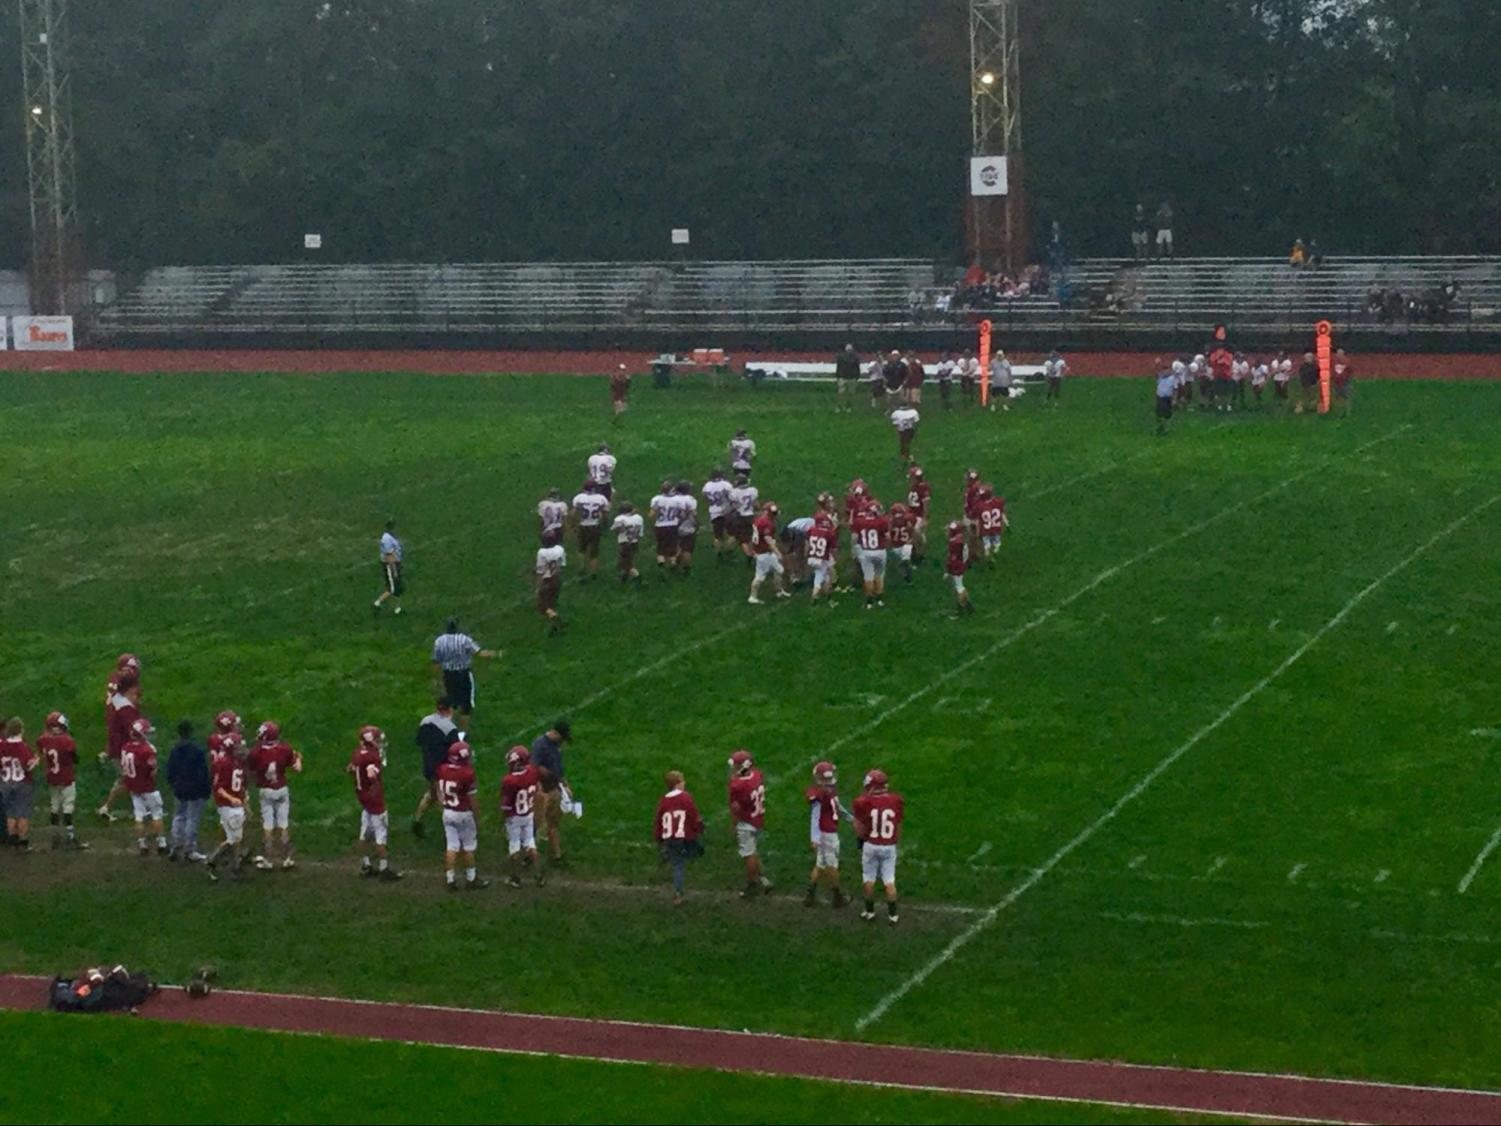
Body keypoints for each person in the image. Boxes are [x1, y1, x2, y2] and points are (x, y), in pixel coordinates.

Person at [852, 768, 904, 925]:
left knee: (868, 878)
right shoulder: (896, 800)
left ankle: (869, 911)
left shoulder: (862, 802)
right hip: (889, 845)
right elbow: (898, 825)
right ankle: (893, 915)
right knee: (889, 880)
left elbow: (860, 829)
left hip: (871, 844)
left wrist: (860, 838)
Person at [349, 725, 401, 881]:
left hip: (363, 799)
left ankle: (366, 865)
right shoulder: (372, 757)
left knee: (364, 834)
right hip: (375, 802)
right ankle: (384, 869)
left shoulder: (356, 754)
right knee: (380, 837)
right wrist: (375, 787)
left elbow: (350, 769)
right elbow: (372, 775)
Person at [248, 720, 302, 870]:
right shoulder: (285, 749)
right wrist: (299, 758)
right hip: (282, 788)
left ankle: (268, 860)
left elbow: (251, 772)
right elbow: (297, 768)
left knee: (268, 825)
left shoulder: (256, 752)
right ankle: (287, 858)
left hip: (266, 790)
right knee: (283, 824)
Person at [435, 741, 487, 891]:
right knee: (468, 847)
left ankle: (450, 880)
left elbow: (438, 788)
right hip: (463, 813)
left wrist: (442, 804)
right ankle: (471, 878)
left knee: (451, 846)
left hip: (448, 811)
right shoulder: (467, 774)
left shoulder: (442, 768)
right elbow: (472, 799)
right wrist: (478, 818)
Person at [430, 618, 499, 722]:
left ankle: (449, 730)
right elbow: (479, 653)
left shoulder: (439, 641)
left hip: (448, 675)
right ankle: (462, 735)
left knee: (450, 702)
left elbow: (436, 661)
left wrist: (436, 678)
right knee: (466, 706)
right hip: (463, 675)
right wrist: (494, 654)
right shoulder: (464, 639)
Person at [411, 697, 462, 837]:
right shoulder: (450, 728)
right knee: (442, 799)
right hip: (441, 768)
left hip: (427, 764)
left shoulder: (426, 721)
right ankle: (451, 831)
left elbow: (419, 740)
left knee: (432, 794)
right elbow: (456, 750)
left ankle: (417, 821)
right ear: (449, 709)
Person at [98, 663, 142, 821]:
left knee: (130, 778)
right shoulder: (125, 709)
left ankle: (139, 807)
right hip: (122, 749)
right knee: (127, 778)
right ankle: (106, 807)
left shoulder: (117, 700)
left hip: (117, 746)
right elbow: (134, 730)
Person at [653, 769, 704, 906]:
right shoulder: (686, 798)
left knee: (677, 862)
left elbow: (659, 820)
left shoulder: (664, 801)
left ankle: (667, 854)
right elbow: (694, 816)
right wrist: (699, 829)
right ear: (677, 784)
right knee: (681, 864)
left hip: (669, 837)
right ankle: (678, 893)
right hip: (684, 836)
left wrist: (658, 838)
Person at [119, 718, 167, 857]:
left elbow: (124, 768)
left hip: (134, 787)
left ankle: (142, 845)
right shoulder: (147, 749)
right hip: (147, 786)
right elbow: (153, 770)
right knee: (156, 814)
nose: (149, 734)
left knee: (139, 816)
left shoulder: (125, 747)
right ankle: (161, 843)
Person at [206, 734, 250, 882]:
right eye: (238, 746)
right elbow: (218, 787)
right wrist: (232, 799)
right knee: (234, 839)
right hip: (228, 806)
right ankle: (217, 863)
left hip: (236, 805)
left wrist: (245, 803)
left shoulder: (238, 762)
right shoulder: (224, 763)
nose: (242, 748)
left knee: (236, 838)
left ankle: (232, 865)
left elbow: (242, 786)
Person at [726, 750, 771, 899]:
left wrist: (733, 826)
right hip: (758, 817)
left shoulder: (737, 786)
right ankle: (762, 878)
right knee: (753, 849)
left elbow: (735, 808)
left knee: (748, 853)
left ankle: (753, 885)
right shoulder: (757, 775)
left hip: (746, 821)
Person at [38, 711, 85, 851]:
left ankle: (55, 836)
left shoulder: (42, 740)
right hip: (66, 778)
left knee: (54, 806)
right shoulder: (67, 741)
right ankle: (70, 836)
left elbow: (43, 751)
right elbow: (75, 759)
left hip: (52, 778)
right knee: (67, 808)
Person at [805, 761, 848, 908]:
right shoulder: (819, 796)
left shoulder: (826, 791)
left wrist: (850, 818)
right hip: (827, 833)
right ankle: (837, 897)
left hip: (826, 832)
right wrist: (815, 838)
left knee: (820, 864)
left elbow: (837, 806)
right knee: (832, 865)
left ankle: (810, 895)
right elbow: (815, 817)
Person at [165, 720, 209, 863]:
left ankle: (175, 846)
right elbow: (203, 773)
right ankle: (189, 850)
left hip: (179, 789)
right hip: (195, 790)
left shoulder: (174, 750)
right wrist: (205, 790)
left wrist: (174, 784)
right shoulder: (197, 751)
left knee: (178, 817)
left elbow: (170, 771)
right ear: (191, 732)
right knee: (192, 819)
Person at [500, 746, 544, 887]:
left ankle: (515, 878)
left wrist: (502, 821)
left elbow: (506, 805)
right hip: (528, 813)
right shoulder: (532, 772)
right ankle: (539, 876)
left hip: (514, 816)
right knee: (530, 844)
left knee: (514, 847)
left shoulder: (509, 781)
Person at [530, 721, 574, 864]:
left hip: (554, 787)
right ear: (555, 733)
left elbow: (559, 769)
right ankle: (527, 853)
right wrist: (540, 791)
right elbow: (534, 768)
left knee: (553, 822)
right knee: (535, 823)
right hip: (542, 790)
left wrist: (565, 784)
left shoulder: (556, 746)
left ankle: (556, 855)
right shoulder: (540, 744)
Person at [1, 717, 38, 851]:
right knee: (23, 813)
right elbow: (28, 766)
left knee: (10, 813)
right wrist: (36, 760)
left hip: (6, 782)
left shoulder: (2, 745)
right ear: (20, 730)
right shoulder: (23, 747)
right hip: (22, 783)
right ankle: (23, 841)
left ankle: (12, 839)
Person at [747, 502, 791, 604]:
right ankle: (752, 597)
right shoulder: (767, 524)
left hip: (762, 551)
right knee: (760, 577)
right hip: (764, 554)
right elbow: (768, 540)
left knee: (778, 570)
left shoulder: (759, 520)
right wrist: (777, 552)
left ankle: (779, 591)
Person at [851, 501, 890, 610]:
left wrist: (855, 550)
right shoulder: (882, 521)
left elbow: (854, 538)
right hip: (880, 551)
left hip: (866, 551)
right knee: (879, 575)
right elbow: (887, 537)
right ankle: (879, 599)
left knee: (868, 576)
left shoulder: (859, 521)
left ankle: (869, 602)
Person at [570, 480, 610, 580]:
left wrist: (573, 525)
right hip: (595, 526)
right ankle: (593, 572)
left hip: (583, 525)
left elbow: (573, 513)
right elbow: (605, 514)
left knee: (581, 549)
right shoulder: (601, 498)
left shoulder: (579, 498)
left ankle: (582, 568)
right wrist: (604, 525)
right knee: (594, 552)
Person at [535, 532, 567, 634]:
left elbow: (541, 571)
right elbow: (562, 564)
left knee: (543, 605)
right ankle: (553, 627)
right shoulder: (560, 549)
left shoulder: (542, 553)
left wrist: (538, 585)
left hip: (547, 580)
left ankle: (555, 618)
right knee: (552, 603)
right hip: (557, 578)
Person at [649, 479, 681, 576]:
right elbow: (680, 513)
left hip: (660, 525)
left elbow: (651, 514)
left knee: (661, 548)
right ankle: (673, 566)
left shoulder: (656, 499)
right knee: (672, 548)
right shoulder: (677, 499)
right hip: (673, 525)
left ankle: (661, 566)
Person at [805, 513, 839, 605]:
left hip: (812, 557)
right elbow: (833, 549)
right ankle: (828, 599)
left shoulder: (811, 530)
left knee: (819, 577)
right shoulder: (829, 533)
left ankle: (816, 595)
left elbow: (807, 544)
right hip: (822, 559)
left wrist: (806, 554)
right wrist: (836, 558)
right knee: (827, 579)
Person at [373, 518, 404, 616]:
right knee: (392, 588)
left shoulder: (390, 537)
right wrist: (394, 569)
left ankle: (397, 608)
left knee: (398, 587)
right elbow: (389, 556)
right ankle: (377, 603)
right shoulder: (387, 539)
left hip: (396, 563)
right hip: (390, 565)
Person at [702, 470, 734, 560]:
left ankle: (718, 553)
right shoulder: (726, 484)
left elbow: (705, 496)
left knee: (718, 536)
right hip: (726, 511)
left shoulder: (707, 486)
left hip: (714, 511)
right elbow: (731, 497)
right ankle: (728, 551)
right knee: (732, 534)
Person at [610, 501, 645, 582]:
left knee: (626, 564)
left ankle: (638, 577)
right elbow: (640, 534)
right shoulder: (639, 517)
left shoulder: (619, 519)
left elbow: (614, 529)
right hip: (635, 542)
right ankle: (623, 578)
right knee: (626, 561)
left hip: (625, 543)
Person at [946, 520, 974, 617]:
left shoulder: (954, 542)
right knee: (961, 586)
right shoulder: (961, 539)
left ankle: (960, 610)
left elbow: (953, 557)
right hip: (961, 564)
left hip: (957, 565)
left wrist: (949, 568)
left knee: (959, 588)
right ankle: (969, 606)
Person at [728, 475, 759, 558]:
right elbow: (756, 504)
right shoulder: (753, 490)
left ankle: (749, 555)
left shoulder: (734, 492)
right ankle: (752, 553)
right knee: (751, 535)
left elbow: (733, 507)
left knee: (742, 539)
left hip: (740, 516)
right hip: (751, 515)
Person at [976, 484, 1009, 562]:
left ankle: (988, 555)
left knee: (986, 545)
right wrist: (1007, 524)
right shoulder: (998, 502)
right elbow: (1002, 514)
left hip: (985, 530)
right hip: (996, 528)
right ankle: (995, 551)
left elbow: (978, 521)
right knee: (997, 544)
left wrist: (978, 532)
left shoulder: (980, 506)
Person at [905, 466, 931, 561]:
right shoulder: (914, 487)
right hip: (912, 515)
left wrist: (924, 518)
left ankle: (919, 555)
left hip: (919, 515)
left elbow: (925, 503)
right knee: (913, 535)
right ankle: (915, 553)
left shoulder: (923, 487)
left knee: (918, 536)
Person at [888, 502, 916, 583]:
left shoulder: (890, 521)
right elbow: (911, 529)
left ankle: (906, 575)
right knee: (905, 559)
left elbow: (889, 534)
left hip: (896, 546)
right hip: (906, 544)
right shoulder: (907, 519)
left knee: (902, 561)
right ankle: (908, 573)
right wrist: (911, 538)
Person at [675, 481, 700, 575]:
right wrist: (697, 523)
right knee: (687, 549)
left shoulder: (673, 499)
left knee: (677, 546)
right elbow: (694, 513)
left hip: (674, 526)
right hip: (688, 526)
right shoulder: (691, 500)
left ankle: (674, 564)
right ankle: (686, 569)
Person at [890, 402, 920, 467]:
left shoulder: (896, 413)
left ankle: (910, 460)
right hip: (910, 430)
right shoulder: (913, 412)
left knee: (905, 444)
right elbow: (916, 422)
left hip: (903, 431)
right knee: (904, 445)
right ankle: (906, 459)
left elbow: (895, 424)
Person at [833, 344, 861, 412]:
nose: (849, 351)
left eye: (850, 350)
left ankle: (847, 406)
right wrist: (838, 375)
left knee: (850, 394)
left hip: (851, 377)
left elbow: (857, 367)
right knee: (841, 393)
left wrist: (857, 376)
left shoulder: (855, 357)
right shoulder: (841, 357)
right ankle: (840, 406)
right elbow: (838, 366)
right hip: (843, 377)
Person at [1155, 362, 1177, 436]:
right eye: (1164, 369)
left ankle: (1166, 428)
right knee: (1160, 413)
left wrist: (1174, 399)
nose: (1165, 371)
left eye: (1167, 369)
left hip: (1168, 397)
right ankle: (1161, 426)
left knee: (1168, 414)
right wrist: (1157, 364)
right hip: (1160, 397)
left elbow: (1175, 389)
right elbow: (1154, 372)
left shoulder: (1173, 378)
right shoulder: (1160, 377)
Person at [1332, 348, 1354, 417]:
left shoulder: (1347, 361)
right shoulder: (1334, 362)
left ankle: (1347, 413)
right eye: (1338, 353)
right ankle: (1340, 413)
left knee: (1346, 398)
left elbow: (1350, 370)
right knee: (1338, 398)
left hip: (1345, 383)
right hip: (1337, 383)